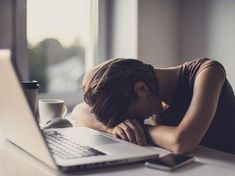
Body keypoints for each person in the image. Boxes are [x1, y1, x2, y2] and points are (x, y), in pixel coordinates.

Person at [71, 58, 235, 154]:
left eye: (135, 117)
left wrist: (139, 129)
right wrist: (113, 128)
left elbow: (181, 141)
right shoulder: (138, 88)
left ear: (142, 89)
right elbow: (79, 111)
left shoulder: (208, 72)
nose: (135, 122)